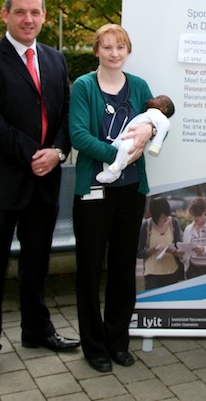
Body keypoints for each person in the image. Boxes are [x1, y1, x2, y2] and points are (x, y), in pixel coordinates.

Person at [0, 0, 79, 388]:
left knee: (37, 263)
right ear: (5, 15)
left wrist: (59, 151)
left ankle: (36, 330)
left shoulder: (54, 58)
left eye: (35, 12)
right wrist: (37, 153)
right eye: (20, 12)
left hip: (45, 183)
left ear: (44, 17)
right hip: (0, 184)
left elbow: (66, 112)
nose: (28, 19)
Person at [69, 23, 156, 373]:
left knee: (123, 268)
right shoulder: (84, 86)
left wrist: (148, 132)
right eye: (107, 47)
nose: (114, 53)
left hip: (130, 191)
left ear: (128, 50)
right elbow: (77, 134)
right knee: (89, 269)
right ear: (97, 51)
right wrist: (114, 156)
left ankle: (118, 340)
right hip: (93, 191)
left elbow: (157, 119)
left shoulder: (139, 86)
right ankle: (94, 346)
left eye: (120, 47)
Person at [96, 94, 174, 183]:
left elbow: (164, 127)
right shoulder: (148, 113)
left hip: (132, 139)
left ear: (164, 109)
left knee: (124, 148)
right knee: (115, 146)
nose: (153, 98)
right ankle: (109, 173)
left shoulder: (159, 116)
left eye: (159, 99)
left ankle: (116, 167)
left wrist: (155, 143)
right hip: (124, 136)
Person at [137, 197, 184, 290]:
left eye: (167, 216)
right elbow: (139, 253)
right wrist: (154, 249)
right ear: (155, 216)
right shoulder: (146, 226)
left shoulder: (174, 223)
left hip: (171, 272)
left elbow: (179, 246)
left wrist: (175, 251)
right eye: (162, 217)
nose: (166, 219)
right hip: (152, 275)